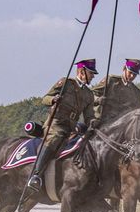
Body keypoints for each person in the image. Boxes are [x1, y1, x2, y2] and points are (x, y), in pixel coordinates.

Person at [27, 59, 97, 191]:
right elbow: (45, 98)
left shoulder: (89, 94)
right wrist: (54, 99)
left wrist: (94, 123)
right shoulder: (66, 83)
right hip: (56, 124)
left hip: (72, 127)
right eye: (91, 73)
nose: (93, 76)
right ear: (82, 72)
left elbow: (89, 116)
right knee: (55, 138)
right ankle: (36, 175)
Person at [92, 58, 140, 123]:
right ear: (124, 68)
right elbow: (91, 94)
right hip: (103, 120)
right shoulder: (111, 81)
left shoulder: (136, 92)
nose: (132, 76)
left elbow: (136, 111)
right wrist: (98, 99)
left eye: (135, 74)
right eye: (130, 72)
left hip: (123, 123)